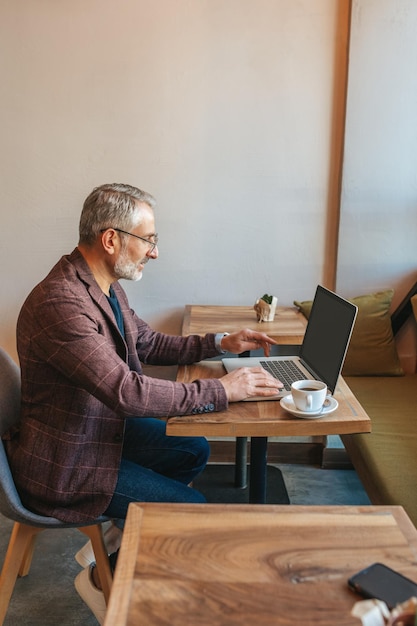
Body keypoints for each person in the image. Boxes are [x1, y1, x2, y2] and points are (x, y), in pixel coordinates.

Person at [4, 183, 282, 623]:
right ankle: (105, 576)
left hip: (93, 430)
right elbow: (127, 392)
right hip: (67, 461)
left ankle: (116, 547)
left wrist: (218, 342)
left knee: (193, 448)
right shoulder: (61, 303)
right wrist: (223, 391)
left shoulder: (102, 285)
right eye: (148, 239)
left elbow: (146, 342)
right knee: (189, 512)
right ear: (111, 239)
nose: (154, 252)